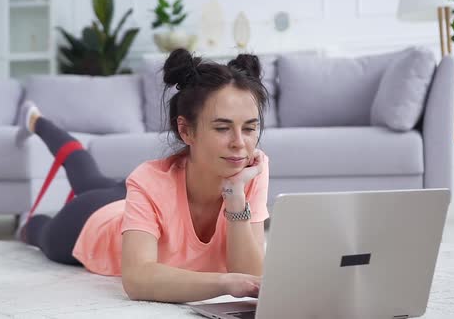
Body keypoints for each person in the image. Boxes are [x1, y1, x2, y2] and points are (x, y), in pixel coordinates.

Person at [17, 48, 271, 303]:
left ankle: (37, 122)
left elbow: (251, 277)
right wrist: (225, 282)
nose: (240, 143)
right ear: (186, 130)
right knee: (43, 230)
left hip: (135, 201)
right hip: (93, 221)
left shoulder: (249, 170)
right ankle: (36, 122)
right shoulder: (149, 179)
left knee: (91, 180)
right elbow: (138, 279)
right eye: (222, 128)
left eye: (250, 128)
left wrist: (235, 196)